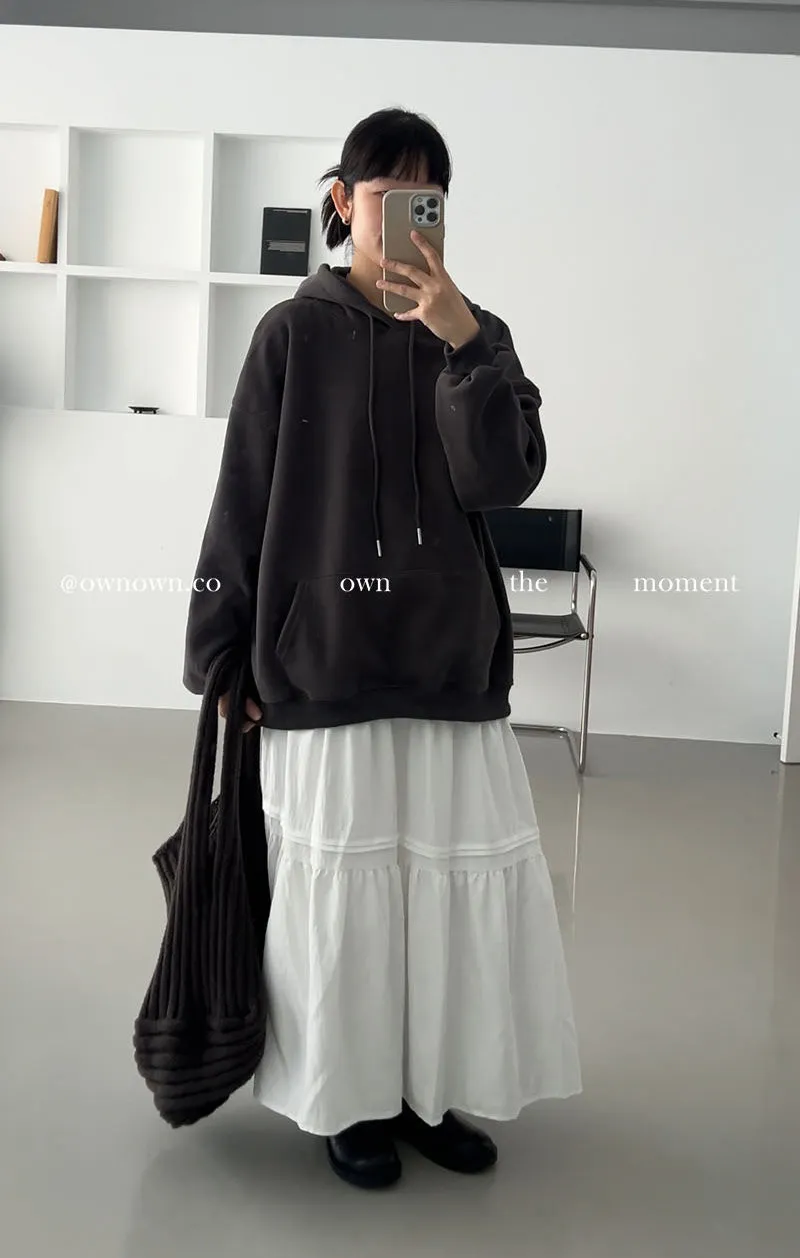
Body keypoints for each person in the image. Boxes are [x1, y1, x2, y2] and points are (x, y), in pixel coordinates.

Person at [183, 107, 582, 1190]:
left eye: (429, 198)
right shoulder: (290, 333)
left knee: (437, 907)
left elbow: (503, 479)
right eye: (388, 193)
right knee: (343, 911)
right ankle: (348, 1101)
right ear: (342, 201)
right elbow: (243, 496)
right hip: (326, 664)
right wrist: (219, 650)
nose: (409, 214)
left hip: (446, 664)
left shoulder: (477, 332)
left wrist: (462, 342)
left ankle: (424, 1090)